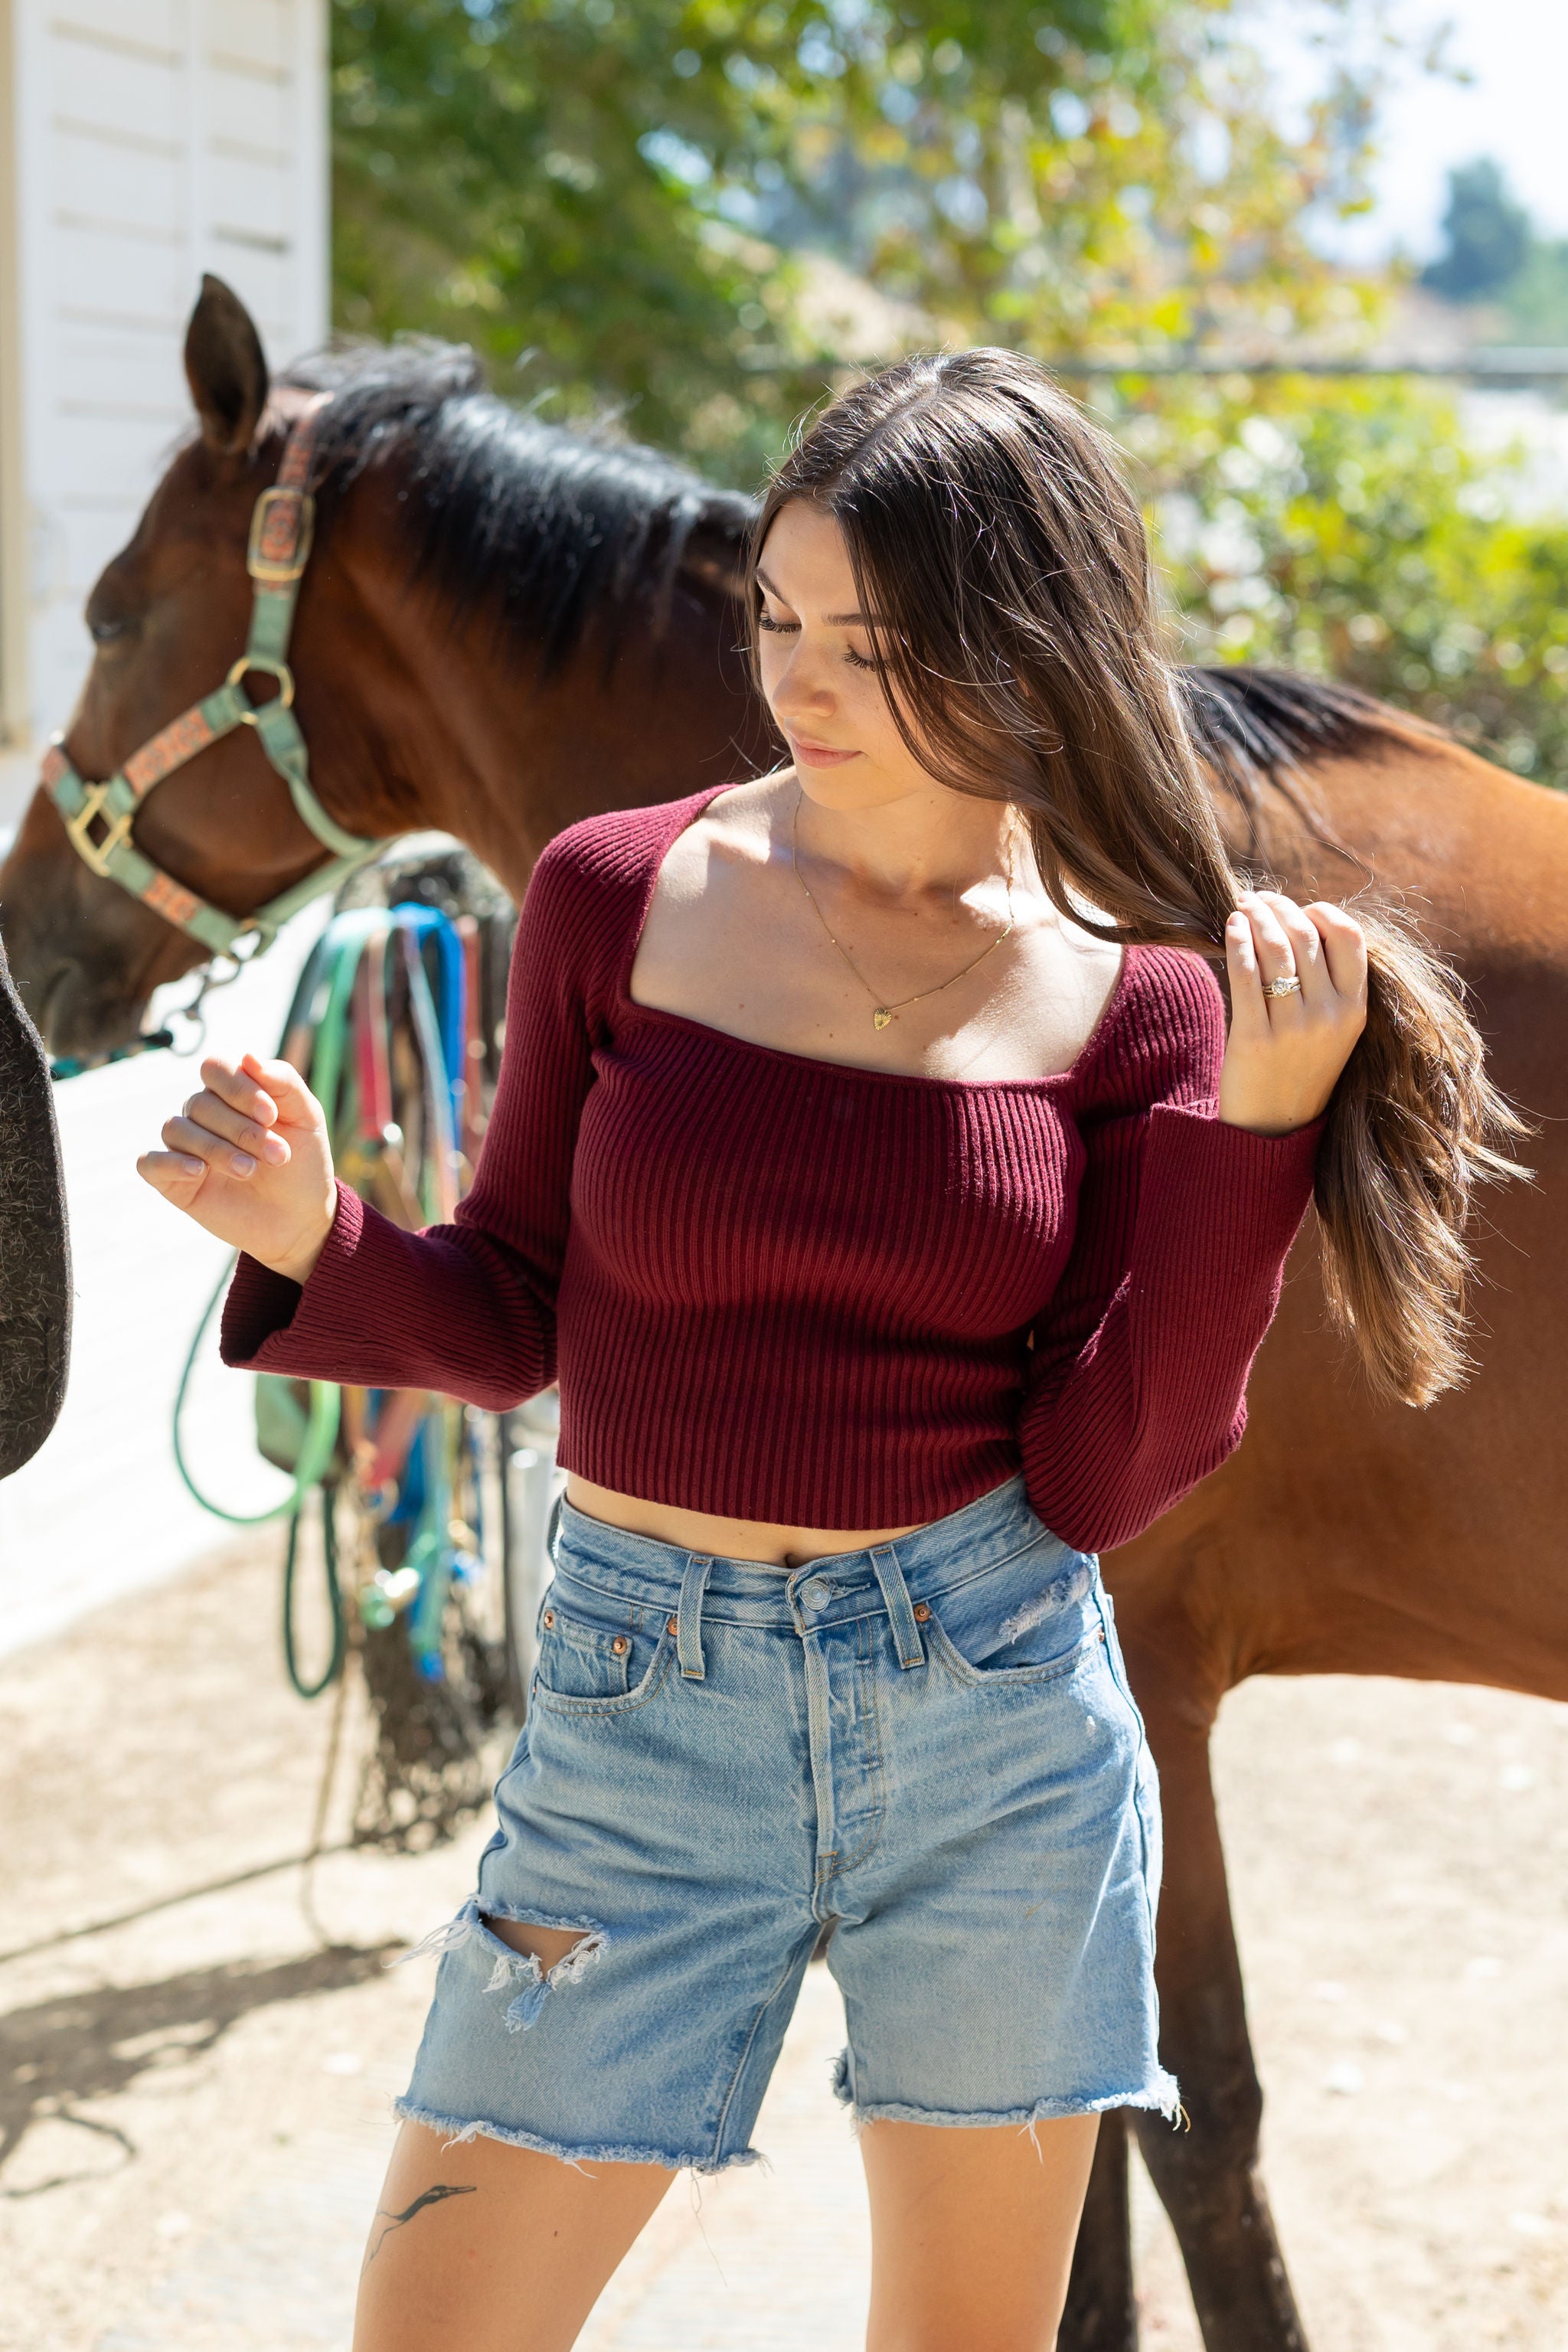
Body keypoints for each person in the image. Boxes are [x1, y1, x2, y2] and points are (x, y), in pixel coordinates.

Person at [139, 350, 1377, 2352]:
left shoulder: (1138, 998)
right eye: (776, 619)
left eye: (865, 643)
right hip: (647, 1705)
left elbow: (1103, 1476)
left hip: (988, 1720)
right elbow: (521, 1300)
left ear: (1017, 636)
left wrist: (1251, 1140)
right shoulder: (616, 893)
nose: (797, 681)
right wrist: (318, 1236)